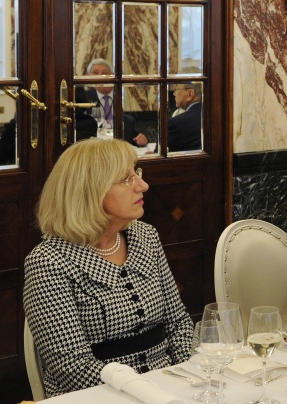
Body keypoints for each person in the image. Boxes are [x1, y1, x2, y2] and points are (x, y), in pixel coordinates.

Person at [23, 139, 193, 397]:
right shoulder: (49, 262)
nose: (143, 185)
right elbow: (71, 367)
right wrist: (143, 393)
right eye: (126, 179)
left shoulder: (145, 237)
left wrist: (186, 379)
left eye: (136, 172)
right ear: (89, 192)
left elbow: (177, 323)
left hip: (167, 387)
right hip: (97, 395)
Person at [83, 58, 148, 146]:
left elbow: (131, 136)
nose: (100, 76)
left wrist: (141, 138)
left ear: (112, 76)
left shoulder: (122, 98)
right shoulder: (84, 98)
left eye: (104, 73)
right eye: (95, 73)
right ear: (89, 76)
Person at [167, 81, 202, 151]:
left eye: (176, 89)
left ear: (190, 94)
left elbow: (162, 153)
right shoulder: (216, 116)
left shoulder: (176, 123)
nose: (174, 94)